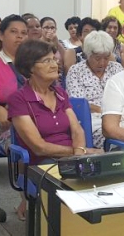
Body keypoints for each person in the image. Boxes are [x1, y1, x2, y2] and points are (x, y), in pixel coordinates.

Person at [8, 39, 102, 219]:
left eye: (54, 59)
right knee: (73, 191)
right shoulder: (19, 100)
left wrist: (79, 154)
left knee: (110, 173)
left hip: (73, 157)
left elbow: (77, 130)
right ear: (30, 67)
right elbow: (39, 147)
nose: (55, 64)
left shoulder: (60, 93)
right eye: (47, 61)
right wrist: (77, 153)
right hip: (41, 164)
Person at [66, 31, 123, 148]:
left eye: (106, 58)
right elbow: (78, 103)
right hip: (91, 118)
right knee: (111, 136)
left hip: (120, 115)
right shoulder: (76, 71)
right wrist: (103, 111)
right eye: (97, 58)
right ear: (88, 54)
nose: (102, 63)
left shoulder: (116, 68)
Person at [0, 15, 28, 151]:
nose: (19, 36)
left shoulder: (35, 64)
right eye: (13, 32)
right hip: (4, 126)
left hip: (36, 120)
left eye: (23, 33)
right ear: (1, 35)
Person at [40, 17, 66, 81]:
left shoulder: (61, 43)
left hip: (59, 77)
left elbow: (66, 59)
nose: (50, 30)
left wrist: (57, 42)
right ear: (41, 29)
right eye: (46, 27)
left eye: (52, 28)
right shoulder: (37, 44)